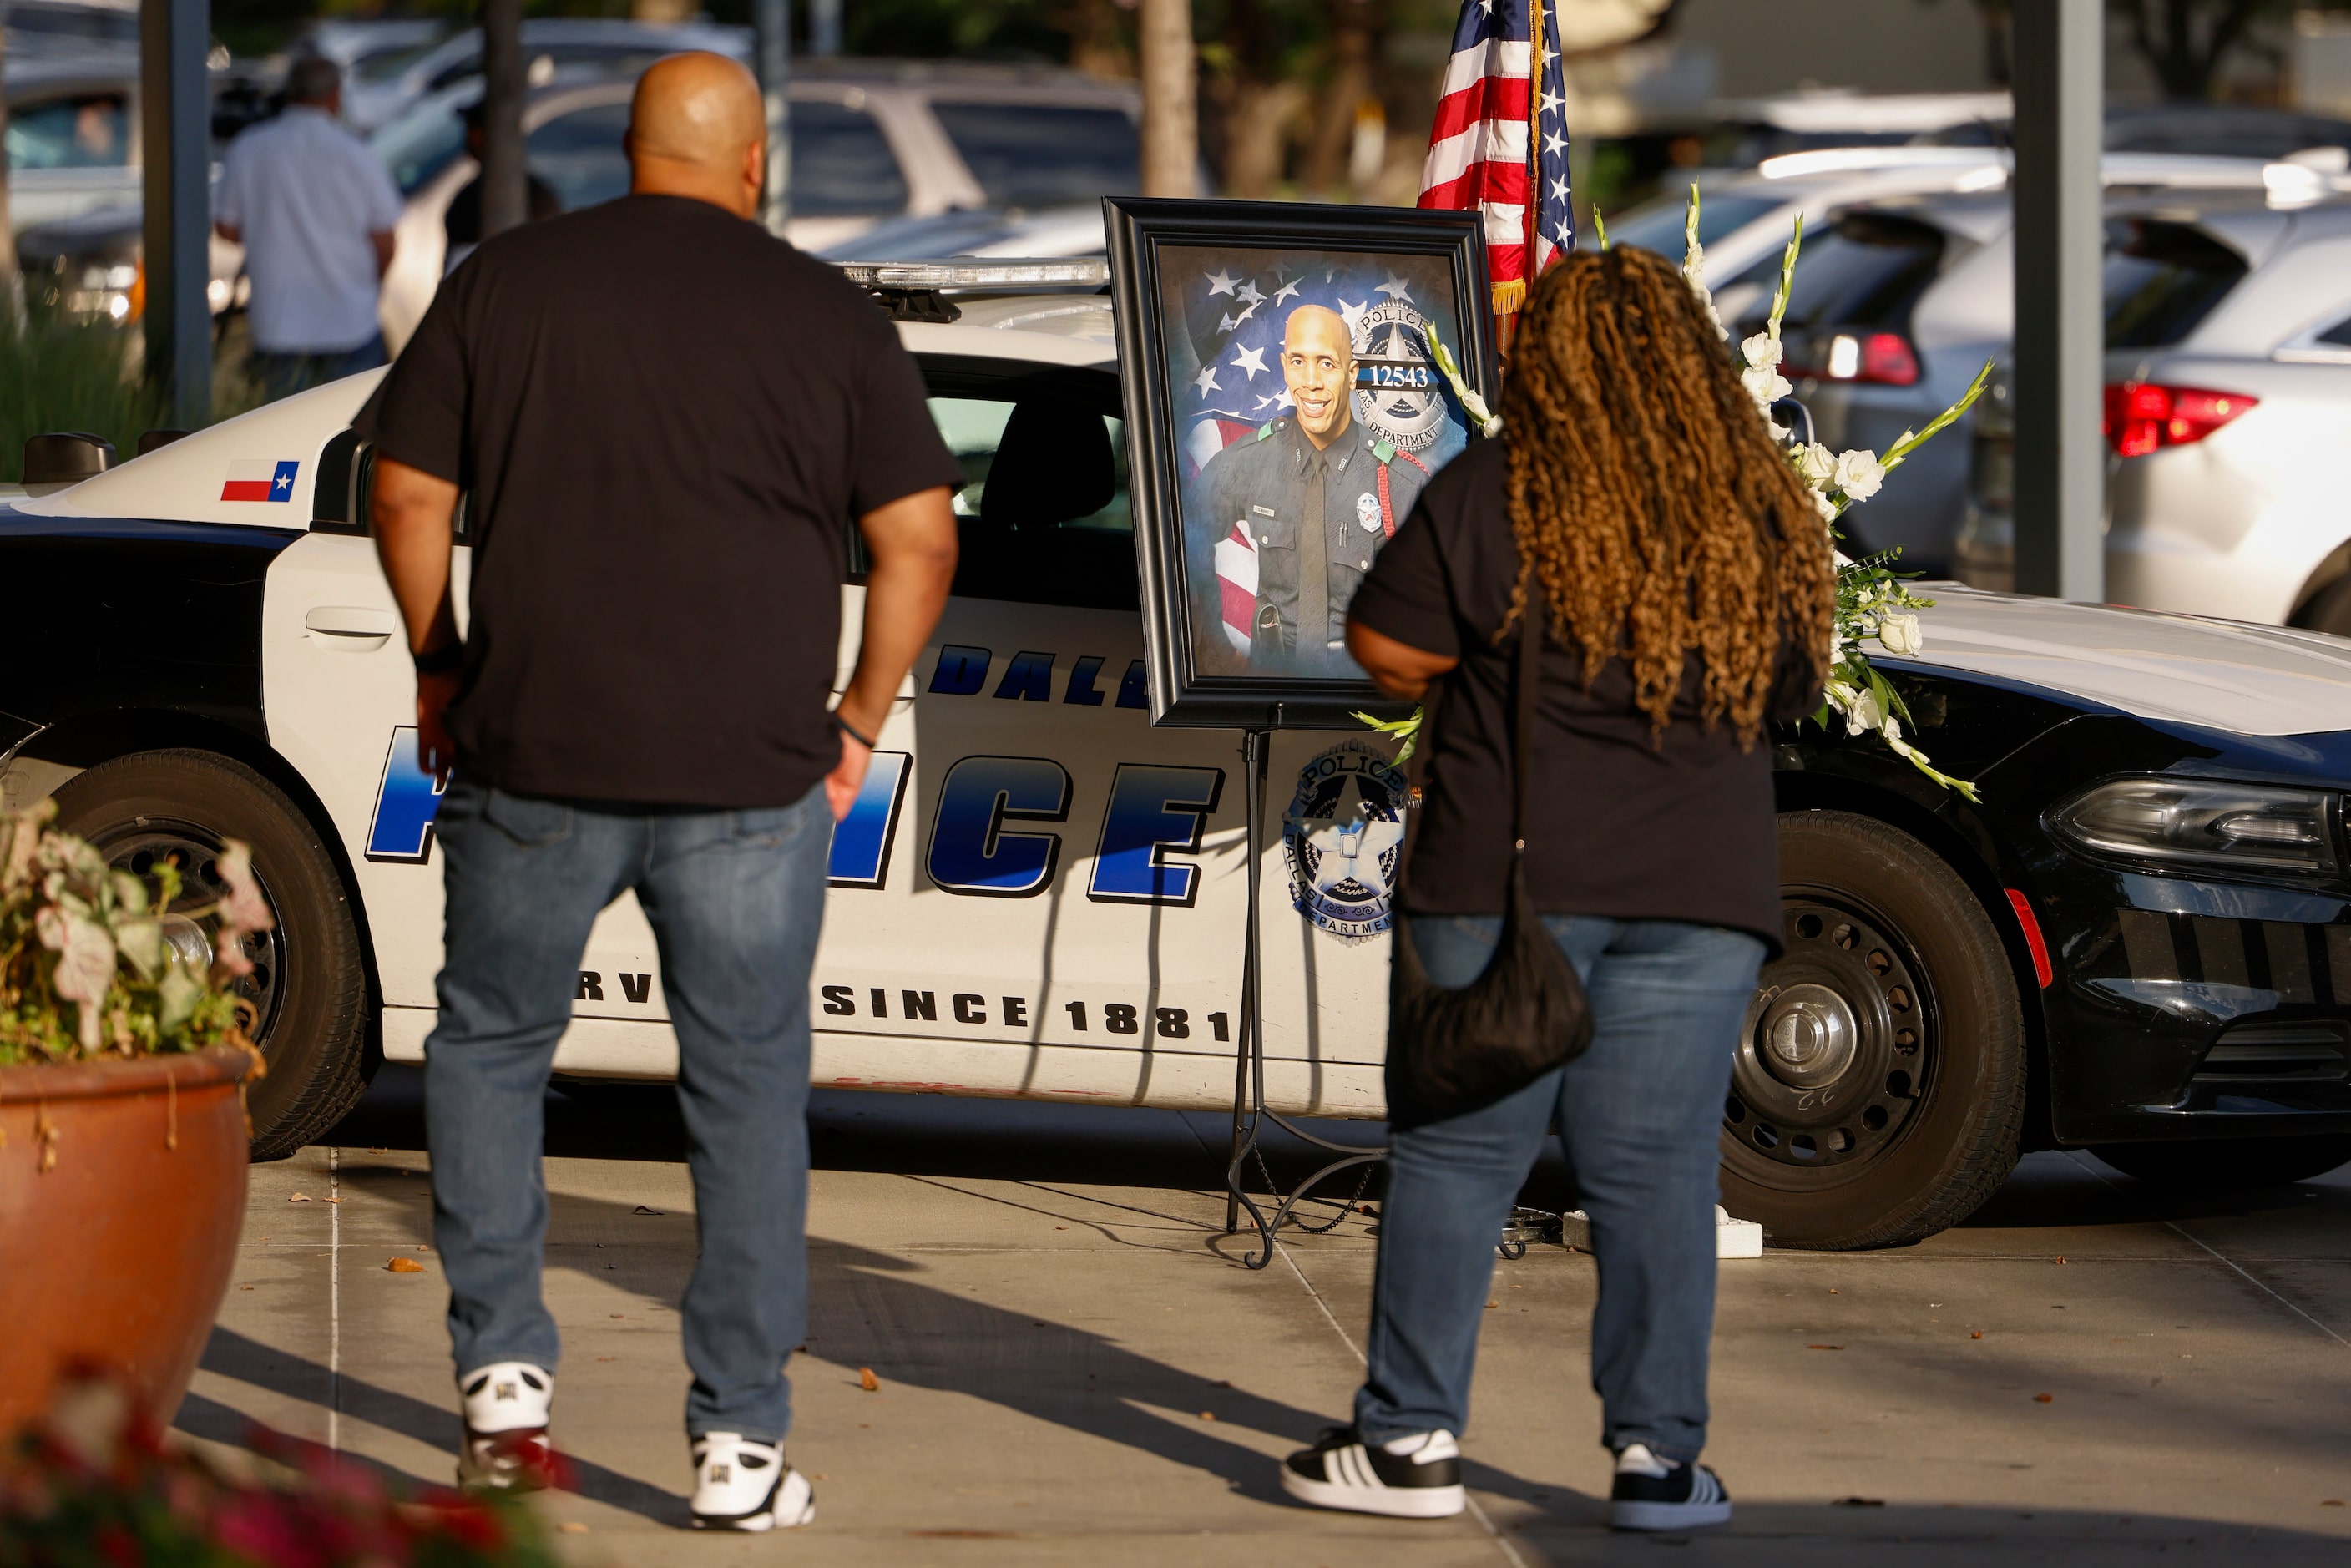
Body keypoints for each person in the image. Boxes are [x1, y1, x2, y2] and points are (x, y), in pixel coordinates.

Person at [359, 52, 961, 1533]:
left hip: (533, 753)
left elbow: (403, 490)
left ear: (633, 151)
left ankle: (503, 1391)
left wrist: (440, 664)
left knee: (494, 1052)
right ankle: (738, 1445)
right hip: (751, 778)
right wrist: (859, 717)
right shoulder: (829, 315)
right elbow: (922, 540)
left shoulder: (506, 284)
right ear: (753, 166)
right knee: (747, 1093)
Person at [1279, 247, 1834, 1531]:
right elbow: (1797, 684)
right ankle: (1659, 1464)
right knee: (1654, 1178)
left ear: (1557, 361)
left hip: (1508, 883)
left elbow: (1386, 643)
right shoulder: (1754, 509)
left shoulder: (1506, 489)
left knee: (1459, 1159)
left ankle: (1411, 1441)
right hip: (1702, 893)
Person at [1194, 303, 1428, 672]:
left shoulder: (1400, 483)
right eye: (1299, 361)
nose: (1311, 382)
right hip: (1270, 690)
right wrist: (1214, 645)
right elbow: (1180, 539)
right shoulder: (1249, 462)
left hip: (1362, 698)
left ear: (1352, 374)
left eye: (1327, 363)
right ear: (1285, 365)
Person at [214, 54, 403, 399]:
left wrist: (267, 229)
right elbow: (386, 239)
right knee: (350, 433)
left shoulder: (250, 147)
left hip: (279, 320)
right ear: (335, 96)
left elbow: (226, 230)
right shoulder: (357, 153)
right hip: (350, 316)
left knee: (284, 441)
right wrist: (372, 287)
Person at [441, 97, 562, 271]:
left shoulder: (471, 202)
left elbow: (459, 276)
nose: (468, 138)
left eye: (473, 130)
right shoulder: (542, 195)